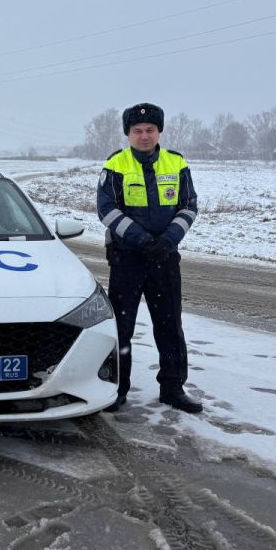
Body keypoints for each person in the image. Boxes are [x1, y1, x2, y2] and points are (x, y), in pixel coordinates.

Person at [96, 103, 202, 413]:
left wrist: (168, 239)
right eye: (137, 131)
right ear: (128, 134)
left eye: (150, 130)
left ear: (159, 132)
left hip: (164, 259)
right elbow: (107, 210)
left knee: (170, 327)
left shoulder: (176, 163)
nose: (144, 136)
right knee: (121, 328)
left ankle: (172, 388)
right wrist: (141, 240)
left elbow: (189, 206)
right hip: (127, 259)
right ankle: (116, 390)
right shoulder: (115, 165)